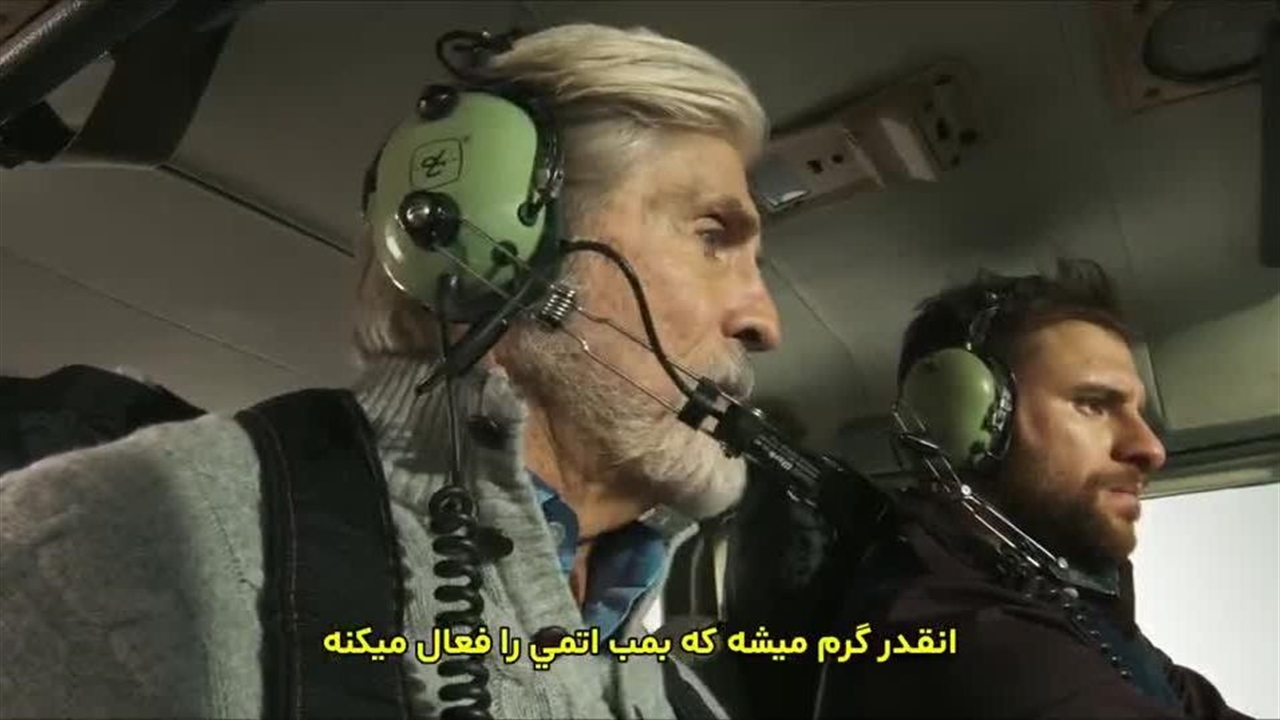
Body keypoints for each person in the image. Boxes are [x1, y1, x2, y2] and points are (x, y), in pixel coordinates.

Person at [0, 23, 780, 719]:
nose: (764, 322)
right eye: (713, 235)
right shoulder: (123, 539)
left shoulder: (680, 689)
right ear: (491, 248)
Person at [812, 258, 1251, 718]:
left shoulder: (1069, 607)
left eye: (1138, 413)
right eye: (1093, 404)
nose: (1151, 449)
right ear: (959, 420)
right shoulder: (959, 637)